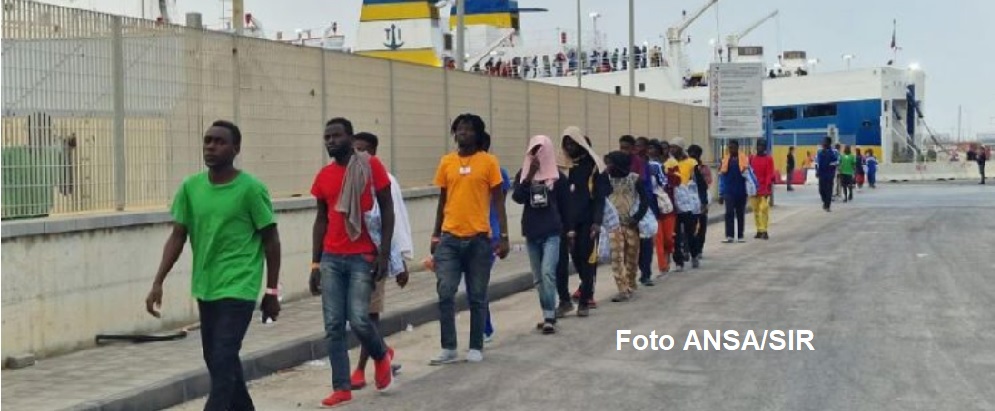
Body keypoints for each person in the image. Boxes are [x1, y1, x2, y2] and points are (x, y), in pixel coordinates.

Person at [146, 120, 282, 411]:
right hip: (207, 286)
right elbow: (178, 236)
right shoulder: (190, 187)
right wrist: (158, 282)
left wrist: (272, 291)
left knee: (222, 357)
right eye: (208, 141)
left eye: (220, 142)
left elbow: (271, 240)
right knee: (219, 360)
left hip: (240, 285)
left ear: (236, 148)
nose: (211, 147)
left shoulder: (251, 189)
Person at [309, 118, 395, 406]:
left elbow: (388, 207)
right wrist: (315, 264)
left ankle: (380, 355)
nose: (331, 141)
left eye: (336, 136)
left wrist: (384, 254)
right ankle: (341, 387)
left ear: (350, 137)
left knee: (358, 318)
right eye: (327, 137)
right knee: (333, 325)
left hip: (363, 255)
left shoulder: (370, 167)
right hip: (331, 258)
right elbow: (321, 219)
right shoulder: (324, 176)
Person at [430, 114, 509, 365]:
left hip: (479, 240)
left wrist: (503, 236)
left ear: (478, 134)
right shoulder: (446, 162)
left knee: (477, 294)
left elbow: (499, 201)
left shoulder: (489, 162)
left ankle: (476, 345)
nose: (463, 133)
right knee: (445, 291)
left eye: (468, 129)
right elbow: (442, 200)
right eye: (459, 129)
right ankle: (449, 347)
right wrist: (435, 234)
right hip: (449, 238)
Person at [349, 132, 410, 390]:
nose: (358, 154)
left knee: (368, 315)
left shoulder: (386, 180)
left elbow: (394, 221)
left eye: (363, 150)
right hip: (348, 258)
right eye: (355, 149)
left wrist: (398, 261)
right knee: (355, 316)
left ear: (373, 153)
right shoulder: (347, 178)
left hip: (375, 258)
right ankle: (382, 350)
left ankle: (361, 369)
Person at [512, 135, 571, 334]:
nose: (537, 154)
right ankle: (547, 311)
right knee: (538, 278)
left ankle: (549, 317)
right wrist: (530, 175)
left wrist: (569, 231)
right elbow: (517, 197)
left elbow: (566, 206)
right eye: (533, 150)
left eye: (541, 149)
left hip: (552, 231)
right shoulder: (523, 174)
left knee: (547, 272)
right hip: (532, 231)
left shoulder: (558, 177)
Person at [559, 127, 610, 316]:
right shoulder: (563, 166)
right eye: (566, 144)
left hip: (588, 221)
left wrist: (597, 222)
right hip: (567, 222)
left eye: (573, 143)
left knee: (587, 260)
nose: (569, 147)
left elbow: (600, 197)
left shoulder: (594, 166)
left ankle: (584, 301)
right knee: (574, 259)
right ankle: (575, 295)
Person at [604, 151, 650, 302]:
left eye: (610, 163)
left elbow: (645, 200)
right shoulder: (606, 179)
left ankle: (630, 283)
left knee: (631, 258)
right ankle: (622, 289)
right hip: (613, 225)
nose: (608, 166)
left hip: (631, 224)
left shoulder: (634, 179)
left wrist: (637, 218)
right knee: (617, 258)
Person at [667, 137, 700, 268]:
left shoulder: (691, 162)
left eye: (674, 147)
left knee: (690, 232)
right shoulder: (669, 163)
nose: (672, 150)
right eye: (671, 147)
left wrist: (701, 201)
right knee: (675, 234)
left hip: (687, 202)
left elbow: (698, 182)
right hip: (673, 202)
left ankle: (694, 254)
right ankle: (678, 261)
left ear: (681, 148)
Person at [648, 140, 678, 276]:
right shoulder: (644, 165)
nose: (650, 151)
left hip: (665, 205)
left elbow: (665, 183)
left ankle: (668, 253)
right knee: (658, 238)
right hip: (652, 206)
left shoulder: (659, 166)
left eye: (653, 148)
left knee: (668, 238)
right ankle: (663, 266)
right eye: (649, 148)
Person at [633, 136, 658, 286]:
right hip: (630, 207)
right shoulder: (630, 163)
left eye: (640, 146)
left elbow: (648, 188)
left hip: (645, 206)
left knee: (646, 243)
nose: (637, 148)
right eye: (636, 146)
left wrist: (646, 206)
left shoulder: (648, 165)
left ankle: (646, 274)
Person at [718, 140, 749, 242]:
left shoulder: (744, 159)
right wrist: (721, 193)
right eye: (730, 148)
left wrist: (749, 190)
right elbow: (722, 178)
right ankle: (729, 235)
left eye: (733, 147)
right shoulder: (725, 160)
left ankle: (740, 235)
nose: (731, 150)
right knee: (729, 213)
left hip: (741, 191)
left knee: (740, 213)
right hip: (729, 191)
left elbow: (749, 176)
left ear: (737, 148)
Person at [687, 144, 711, 258]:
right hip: (688, 201)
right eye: (690, 154)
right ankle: (689, 248)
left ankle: (699, 248)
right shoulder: (685, 167)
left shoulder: (703, 168)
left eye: (694, 155)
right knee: (689, 227)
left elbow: (707, 183)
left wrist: (704, 203)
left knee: (701, 225)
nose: (692, 157)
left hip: (701, 199)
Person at [749, 140, 776, 240]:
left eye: (762, 146)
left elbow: (769, 173)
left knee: (763, 208)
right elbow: (749, 173)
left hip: (764, 188)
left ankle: (764, 230)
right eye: (759, 145)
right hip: (754, 188)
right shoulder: (752, 159)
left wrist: (768, 188)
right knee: (755, 210)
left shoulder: (768, 159)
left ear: (765, 147)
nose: (760, 147)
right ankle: (759, 230)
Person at [815, 137, 840, 211]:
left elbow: (837, 161)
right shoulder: (819, 152)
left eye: (825, 142)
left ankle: (827, 206)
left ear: (829, 143)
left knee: (829, 190)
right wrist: (817, 171)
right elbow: (817, 163)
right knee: (821, 190)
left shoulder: (834, 152)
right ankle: (825, 202)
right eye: (823, 142)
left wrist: (831, 165)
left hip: (829, 174)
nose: (823, 143)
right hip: (821, 174)